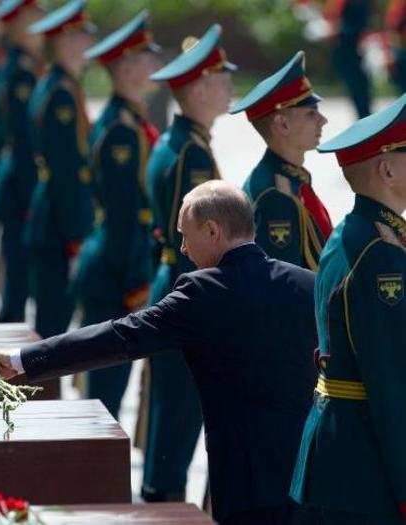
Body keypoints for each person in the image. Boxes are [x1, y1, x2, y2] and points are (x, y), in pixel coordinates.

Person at [0, 180, 318, 525]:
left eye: (185, 235)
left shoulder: (203, 291)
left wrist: (23, 360)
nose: (183, 248)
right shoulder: (307, 284)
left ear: (213, 231)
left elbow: (119, 337)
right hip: (312, 474)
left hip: (247, 483)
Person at [290, 94, 406, 525]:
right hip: (364, 469)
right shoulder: (379, 255)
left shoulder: (358, 232)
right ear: (387, 168)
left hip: (340, 456)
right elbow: (391, 380)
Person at [142, 23, 234, 503]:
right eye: (222, 79)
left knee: (171, 416)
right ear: (198, 88)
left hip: (173, 282)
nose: (230, 87)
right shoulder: (191, 155)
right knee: (177, 418)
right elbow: (196, 242)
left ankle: (162, 501)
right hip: (186, 288)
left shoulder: (181, 141)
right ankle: (163, 509)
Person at [71, 10, 162, 419]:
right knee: (104, 395)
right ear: (125, 68)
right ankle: (94, 479)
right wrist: (136, 281)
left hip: (116, 261)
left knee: (110, 387)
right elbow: (126, 214)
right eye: (145, 58)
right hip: (114, 268)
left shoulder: (130, 121)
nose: (154, 65)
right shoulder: (121, 131)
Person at [23, 0, 96, 338]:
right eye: (82, 36)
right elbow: (66, 170)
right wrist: (75, 235)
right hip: (58, 220)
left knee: (51, 326)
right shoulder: (61, 94)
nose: (88, 43)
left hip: (52, 215)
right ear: (65, 40)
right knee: (51, 330)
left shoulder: (58, 84)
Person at [231, 51, 332, 270]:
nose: (323, 120)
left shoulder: (289, 180)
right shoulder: (276, 197)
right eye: (311, 114)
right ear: (282, 125)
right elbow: (284, 286)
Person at [0, 0, 44, 323]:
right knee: (17, 274)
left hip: (16, 180)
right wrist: (30, 195)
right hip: (19, 185)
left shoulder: (23, 66)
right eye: (31, 19)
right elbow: (23, 142)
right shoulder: (20, 72)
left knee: (16, 270)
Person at [324, 0, 372, 118]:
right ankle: (363, 118)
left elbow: (357, 26)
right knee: (356, 88)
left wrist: (338, 31)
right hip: (345, 51)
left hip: (353, 49)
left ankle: (365, 119)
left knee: (360, 88)